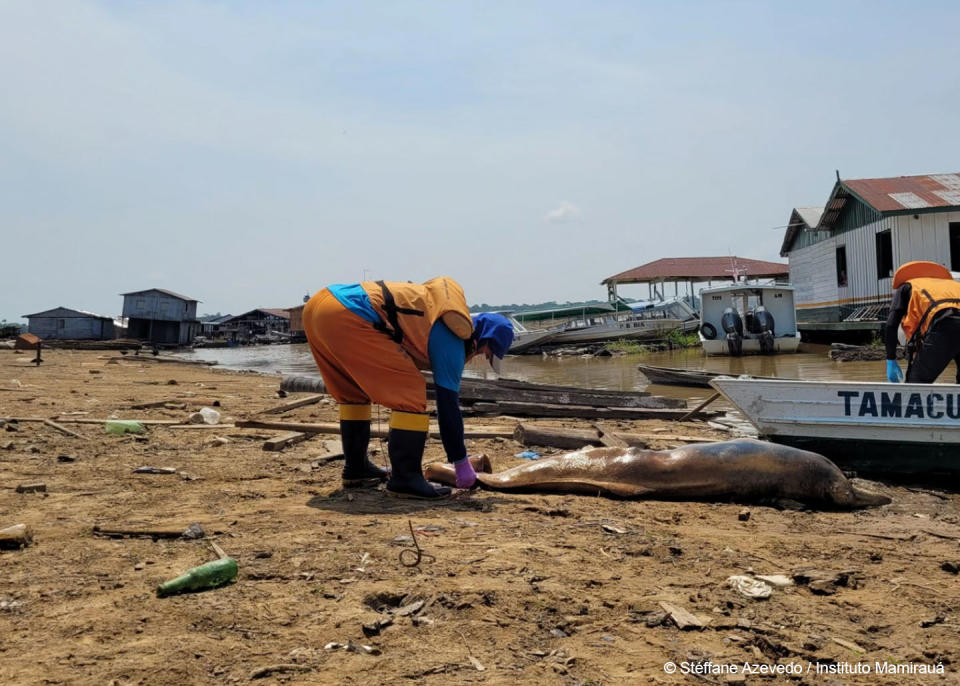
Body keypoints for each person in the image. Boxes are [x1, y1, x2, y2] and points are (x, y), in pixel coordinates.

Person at [302, 277, 514, 500]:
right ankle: (406, 479)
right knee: (411, 391)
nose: (481, 356)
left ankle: (357, 470)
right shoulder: (453, 335)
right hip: (351, 312)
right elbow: (447, 406)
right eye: (486, 352)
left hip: (320, 307)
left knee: (353, 393)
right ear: (483, 338)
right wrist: (460, 462)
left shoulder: (434, 316)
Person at [884, 261, 960, 383]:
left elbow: (891, 325)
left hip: (944, 324)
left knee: (916, 387)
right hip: (945, 322)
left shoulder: (907, 286)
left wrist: (890, 359)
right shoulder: (953, 285)